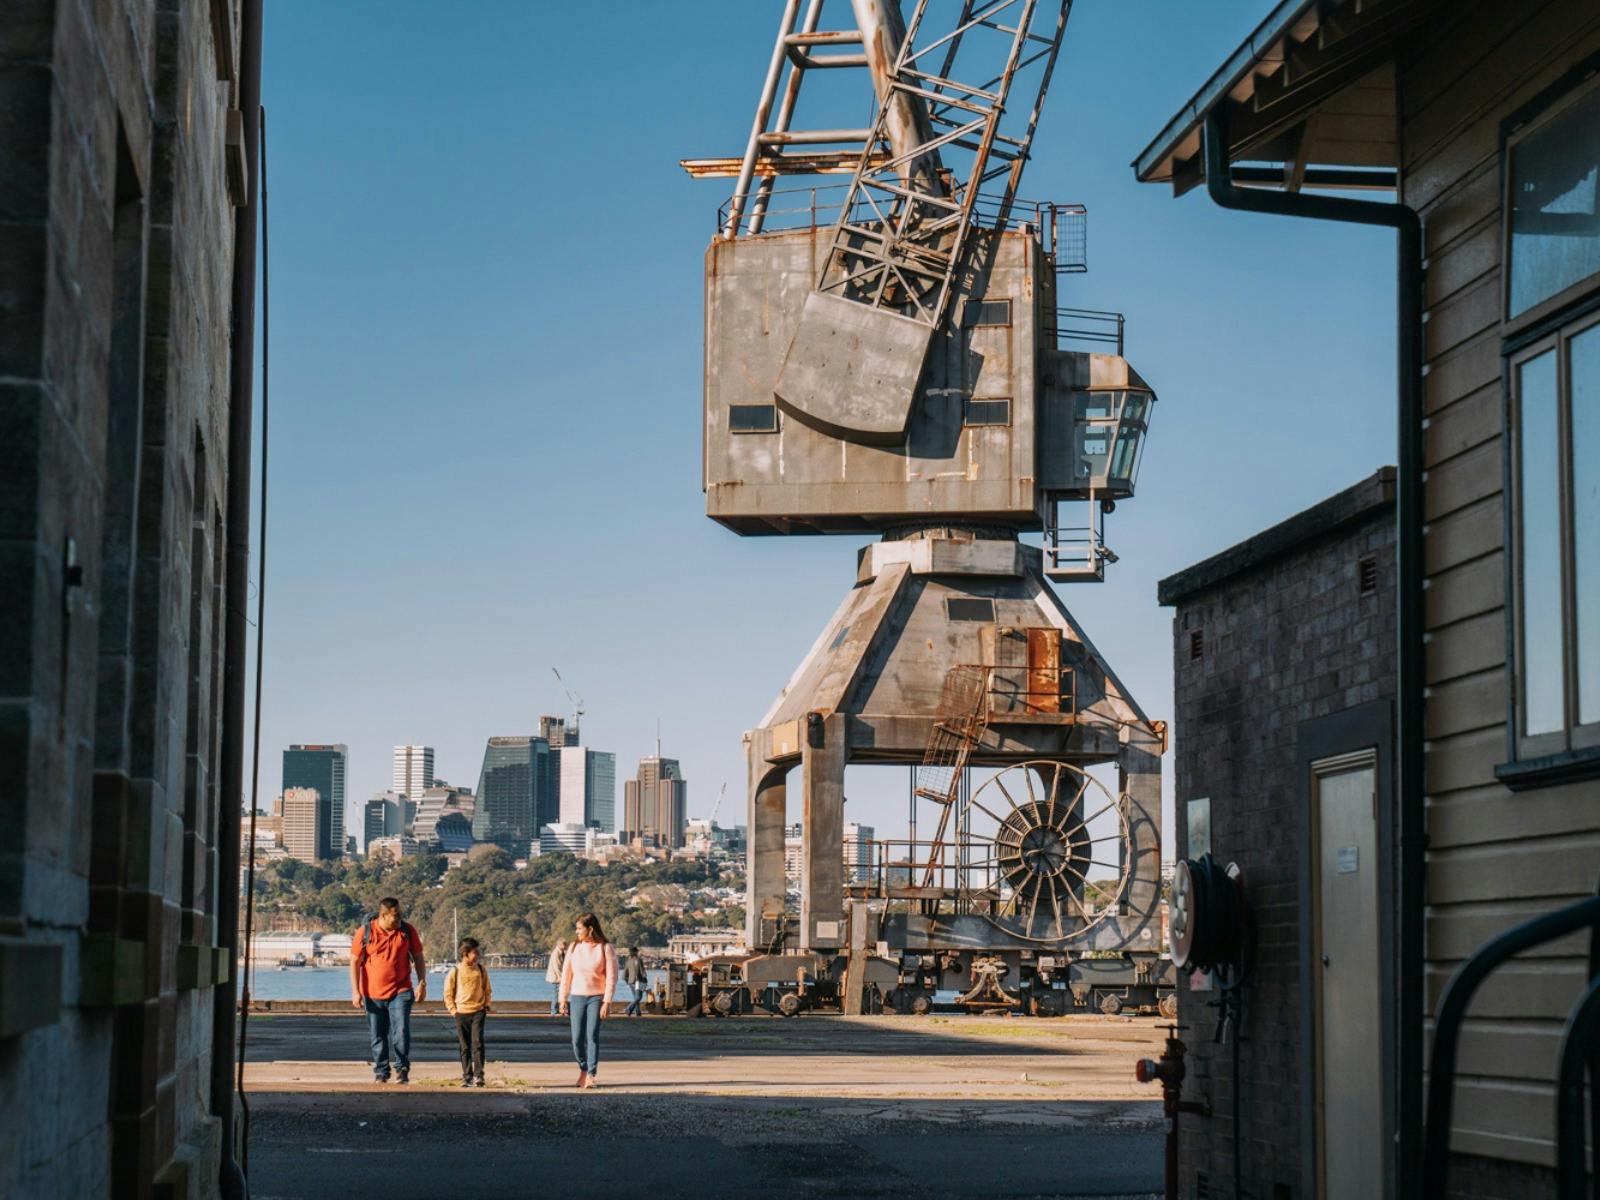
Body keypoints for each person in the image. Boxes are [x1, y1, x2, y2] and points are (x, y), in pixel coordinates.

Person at [350, 897, 426, 1084]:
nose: (399, 919)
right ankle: (381, 1071)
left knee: (400, 1030)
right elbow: (355, 961)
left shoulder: (407, 931)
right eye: (395, 916)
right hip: (372, 993)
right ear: (383, 916)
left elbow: (418, 956)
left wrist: (422, 983)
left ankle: (402, 1068)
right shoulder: (365, 932)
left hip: (401, 990)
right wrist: (355, 991)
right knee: (377, 1034)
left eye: (400, 915)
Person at [557, 913, 617, 1089]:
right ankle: (583, 1068)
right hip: (576, 996)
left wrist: (607, 1002)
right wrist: (562, 999)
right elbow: (566, 975)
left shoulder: (605, 948)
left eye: (579, 928)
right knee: (576, 1038)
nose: (576, 932)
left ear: (590, 929)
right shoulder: (574, 947)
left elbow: (612, 977)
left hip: (596, 997)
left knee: (592, 1036)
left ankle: (591, 1074)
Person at [444, 937, 492, 1087]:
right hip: (461, 1012)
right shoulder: (455, 971)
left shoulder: (481, 969)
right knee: (464, 1046)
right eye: (474, 952)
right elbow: (448, 993)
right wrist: (454, 1011)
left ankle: (479, 1075)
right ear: (465, 953)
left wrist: (486, 1006)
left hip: (478, 1011)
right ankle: (467, 1076)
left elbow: (487, 989)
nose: (477, 955)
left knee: (477, 1043)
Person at [621, 946, 648, 1017]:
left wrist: (628, 982)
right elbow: (642, 972)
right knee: (638, 997)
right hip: (638, 981)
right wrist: (645, 980)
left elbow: (624, 975)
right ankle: (628, 1009)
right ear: (636, 952)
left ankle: (638, 1011)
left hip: (630, 982)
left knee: (635, 997)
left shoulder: (628, 962)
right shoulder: (639, 960)